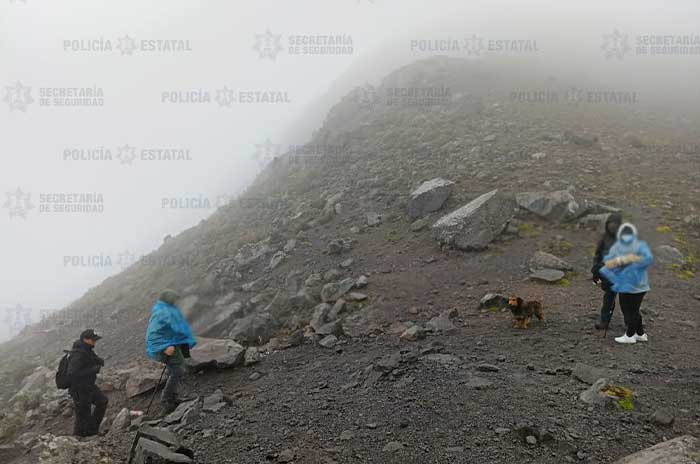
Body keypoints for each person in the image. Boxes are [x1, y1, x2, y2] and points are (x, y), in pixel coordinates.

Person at [599, 223, 654, 344]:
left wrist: (627, 261)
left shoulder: (635, 247)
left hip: (634, 286)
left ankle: (629, 335)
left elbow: (646, 259)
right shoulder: (635, 246)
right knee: (633, 309)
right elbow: (608, 264)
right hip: (634, 285)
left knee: (630, 310)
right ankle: (640, 334)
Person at [145, 289, 197, 414]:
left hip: (173, 345)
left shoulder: (168, 309)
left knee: (174, 371)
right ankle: (166, 401)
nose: (176, 301)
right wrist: (164, 347)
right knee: (178, 371)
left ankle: (172, 399)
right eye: (174, 299)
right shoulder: (161, 312)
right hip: (168, 348)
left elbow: (174, 327)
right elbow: (153, 334)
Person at [66, 329, 108, 437]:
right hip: (79, 389)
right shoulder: (78, 353)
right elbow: (72, 373)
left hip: (88, 386)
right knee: (83, 414)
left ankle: (91, 431)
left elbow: (90, 357)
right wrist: (93, 369)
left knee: (102, 401)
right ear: (85, 339)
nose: (95, 342)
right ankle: (78, 440)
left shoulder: (86, 349)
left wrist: (98, 360)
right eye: (93, 339)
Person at [591, 213, 623, 330]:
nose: (612, 226)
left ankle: (633, 323)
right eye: (610, 224)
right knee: (609, 299)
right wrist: (595, 269)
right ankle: (604, 320)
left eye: (615, 224)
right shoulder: (604, 238)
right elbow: (597, 255)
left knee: (628, 301)